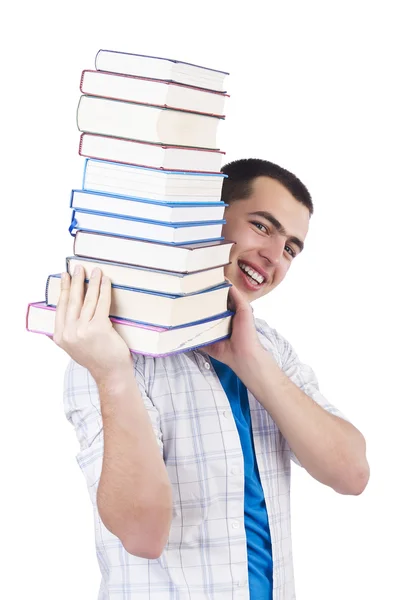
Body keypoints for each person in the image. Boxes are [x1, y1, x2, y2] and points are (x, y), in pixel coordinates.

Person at [55, 158, 370, 600]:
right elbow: (142, 534)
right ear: (205, 220)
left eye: (292, 248)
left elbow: (351, 473)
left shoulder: (269, 347)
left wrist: (252, 363)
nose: (275, 257)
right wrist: (112, 375)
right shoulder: (113, 352)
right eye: (262, 227)